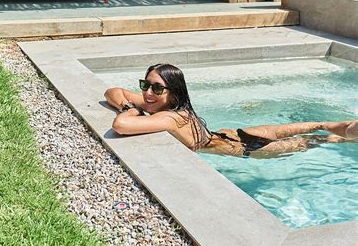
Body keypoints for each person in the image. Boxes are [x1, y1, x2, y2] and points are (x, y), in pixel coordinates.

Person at [104, 63, 358, 158]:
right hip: (234, 134)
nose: (148, 93)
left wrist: (132, 111)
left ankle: (348, 132)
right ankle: (345, 126)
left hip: (247, 147)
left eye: (157, 88)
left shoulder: (171, 117)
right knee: (317, 126)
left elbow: (120, 126)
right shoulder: (166, 105)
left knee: (318, 140)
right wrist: (129, 105)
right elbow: (113, 91)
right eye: (145, 85)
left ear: (173, 93)